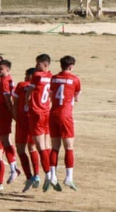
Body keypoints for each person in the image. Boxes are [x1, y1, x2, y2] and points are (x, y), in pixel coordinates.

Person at [24, 54, 57, 191]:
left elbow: (28, 93)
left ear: (45, 64)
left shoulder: (37, 75)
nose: (36, 66)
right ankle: (53, 174)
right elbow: (51, 94)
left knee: (40, 147)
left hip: (36, 113)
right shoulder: (53, 77)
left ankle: (48, 175)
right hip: (47, 112)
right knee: (47, 144)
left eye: (38, 63)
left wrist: (27, 101)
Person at [50, 55, 83, 190]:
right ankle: (69, 177)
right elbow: (76, 98)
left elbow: (52, 94)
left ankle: (52, 175)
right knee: (69, 146)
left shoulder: (54, 78)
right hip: (66, 115)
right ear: (71, 66)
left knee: (55, 147)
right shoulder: (75, 79)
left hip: (53, 113)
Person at [14, 67, 40, 192]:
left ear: (31, 76)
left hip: (22, 121)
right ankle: (37, 175)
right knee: (32, 148)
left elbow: (14, 102)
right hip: (34, 120)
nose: (25, 76)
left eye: (26, 74)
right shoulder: (40, 86)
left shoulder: (21, 85)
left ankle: (29, 177)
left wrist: (15, 117)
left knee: (20, 149)